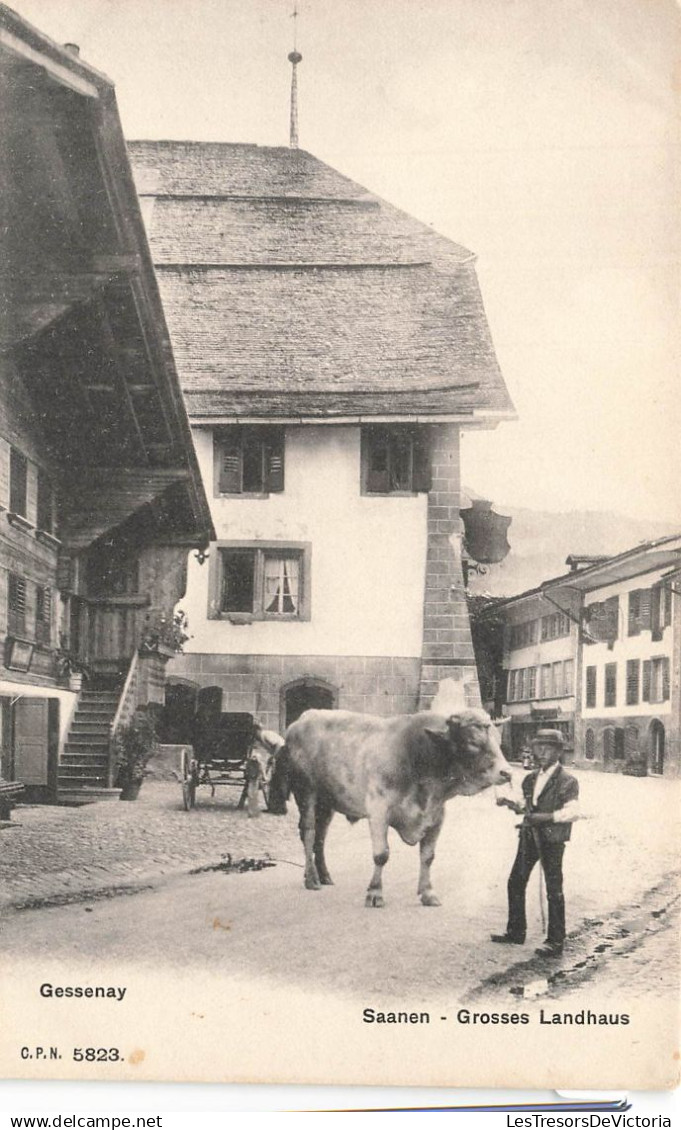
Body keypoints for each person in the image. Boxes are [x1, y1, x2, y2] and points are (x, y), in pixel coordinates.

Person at [491, 729, 579, 958]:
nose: (541, 752)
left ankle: (555, 941)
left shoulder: (567, 781)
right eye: (538, 747)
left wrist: (547, 817)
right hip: (529, 837)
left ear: (559, 752)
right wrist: (510, 802)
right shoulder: (531, 778)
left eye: (547, 748)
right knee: (515, 881)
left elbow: (573, 812)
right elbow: (526, 804)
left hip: (552, 839)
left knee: (553, 889)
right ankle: (516, 931)